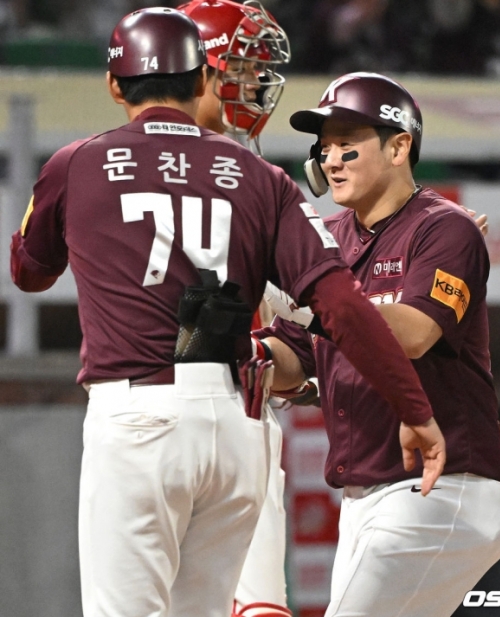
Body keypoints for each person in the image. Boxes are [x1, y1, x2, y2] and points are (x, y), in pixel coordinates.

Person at [10, 10, 445, 617]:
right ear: (200, 82)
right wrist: (414, 408)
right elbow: (341, 304)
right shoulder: (263, 177)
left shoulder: (77, 162)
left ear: (112, 85)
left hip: (137, 416)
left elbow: (29, 273)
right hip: (236, 422)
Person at [255, 72, 500, 617]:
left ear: (398, 147)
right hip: (364, 497)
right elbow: (294, 355)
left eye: (347, 145)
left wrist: (307, 303)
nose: (331, 160)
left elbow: (415, 334)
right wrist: (246, 355)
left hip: (441, 489)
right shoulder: (326, 237)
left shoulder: (446, 228)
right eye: (324, 148)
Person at [175, 2, 291, 616]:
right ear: (200, 70)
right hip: (222, 407)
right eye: (241, 68)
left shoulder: (109, 159)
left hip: (143, 414)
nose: (254, 85)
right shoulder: (247, 175)